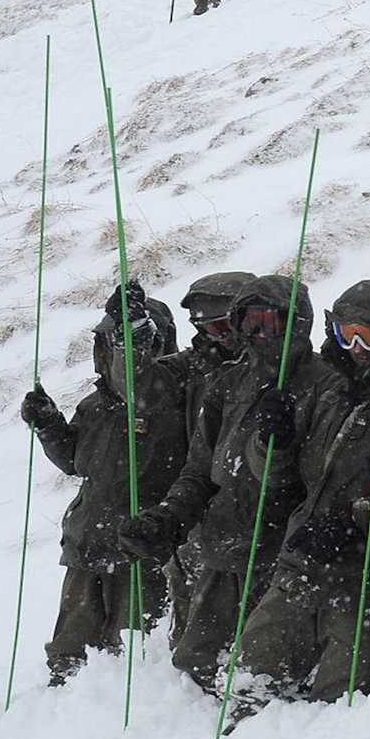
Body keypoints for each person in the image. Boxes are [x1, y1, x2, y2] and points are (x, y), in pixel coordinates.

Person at [117, 275, 349, 691]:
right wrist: (168, 518)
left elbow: (315, 482)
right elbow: (199, 471)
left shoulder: (326, 386)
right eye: (249, 323)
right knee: (196, 664)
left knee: (263, 676)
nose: (259, 334)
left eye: (270, 322)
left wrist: (275, 444)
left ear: (297, 322)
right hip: (224, 549)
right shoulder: (229, 383)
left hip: (281, 553)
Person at [231, 281, 370, 710]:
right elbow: (279, 478)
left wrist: (360, 518)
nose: (354, 347)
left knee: (340, 702)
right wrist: (271, 441)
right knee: (250, 679)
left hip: (367, 575)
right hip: (303, 559)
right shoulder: (331, 389)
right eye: (343, 333)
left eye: (368, 336)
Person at [20, 282, 186, 685]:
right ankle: (61, 692)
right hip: (87, 538)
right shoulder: (95, 405)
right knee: (73, 637)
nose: (112, 355)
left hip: (141, 542)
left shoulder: (174, 403)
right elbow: (76, 462)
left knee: (131, 643)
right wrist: (49, 426)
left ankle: (123, 700)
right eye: (109, 345)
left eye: (124, 346)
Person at [162, 271, 256, 641]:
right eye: (204, 328)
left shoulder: (280, 370)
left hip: (252, 515)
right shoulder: (191, 368)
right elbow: (139, 385)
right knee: (190, 606)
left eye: (221, 326)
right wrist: (128, 341)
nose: (215, 337)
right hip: (196, 503)